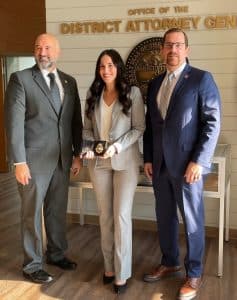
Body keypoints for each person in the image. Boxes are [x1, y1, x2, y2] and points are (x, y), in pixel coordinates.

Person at [143, 28, 221, 300]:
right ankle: (170, 261)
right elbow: (151, 127)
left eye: (178, 45)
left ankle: (194, 272)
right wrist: (148, 158)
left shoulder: (201, 79)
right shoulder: (154, 83)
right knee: (164, 218)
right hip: (160, 166)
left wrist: (199, 160)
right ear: (162, 50)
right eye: (168, 45)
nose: (172, 50)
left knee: (192, 221)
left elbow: (212, 123)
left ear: (186, 49)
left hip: (188, 167)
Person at [4, 33, 83, 283]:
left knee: (56, 210)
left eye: (48, 47)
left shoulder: (69, 82)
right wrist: (19, 162)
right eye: (38, 47)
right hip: (32, 162)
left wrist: (77, 154)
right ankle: (32, 264)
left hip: (62, 159)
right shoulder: (21, 79)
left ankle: (57, 253)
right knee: (31, 214)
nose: (42, 52)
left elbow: (75, 122)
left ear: (57, 52)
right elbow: (13, 124)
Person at [82, 49, 145, 294]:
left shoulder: (133, 93)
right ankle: (109, 267)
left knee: (121, 216)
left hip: (125, 162)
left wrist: (117, 146)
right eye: (101, 66)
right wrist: (92, 147)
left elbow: (139, 128)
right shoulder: (92, 93)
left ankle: (122, 272)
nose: (105, 70)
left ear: (118, 67)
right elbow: (87, 130)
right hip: (99, 164)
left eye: (110, 65)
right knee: (105, 216)